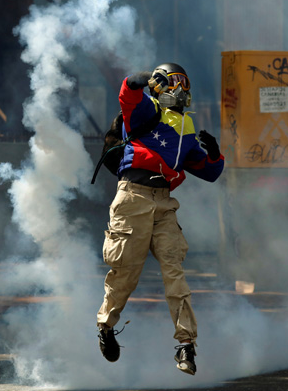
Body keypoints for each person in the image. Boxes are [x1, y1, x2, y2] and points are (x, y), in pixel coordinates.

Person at [96, 62, 224, 375]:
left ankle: (186, 345)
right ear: (158, 84)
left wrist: (215, 154)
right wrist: (137, 79)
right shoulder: (146, 110)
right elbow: (128, 95)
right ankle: (106, 326)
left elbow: (209, 172)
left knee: (174, 270)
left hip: (164, 202)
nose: (179, 89)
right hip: (133, 196)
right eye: (172, 82)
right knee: (125, 272)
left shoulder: (186, 128)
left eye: (184, 83)